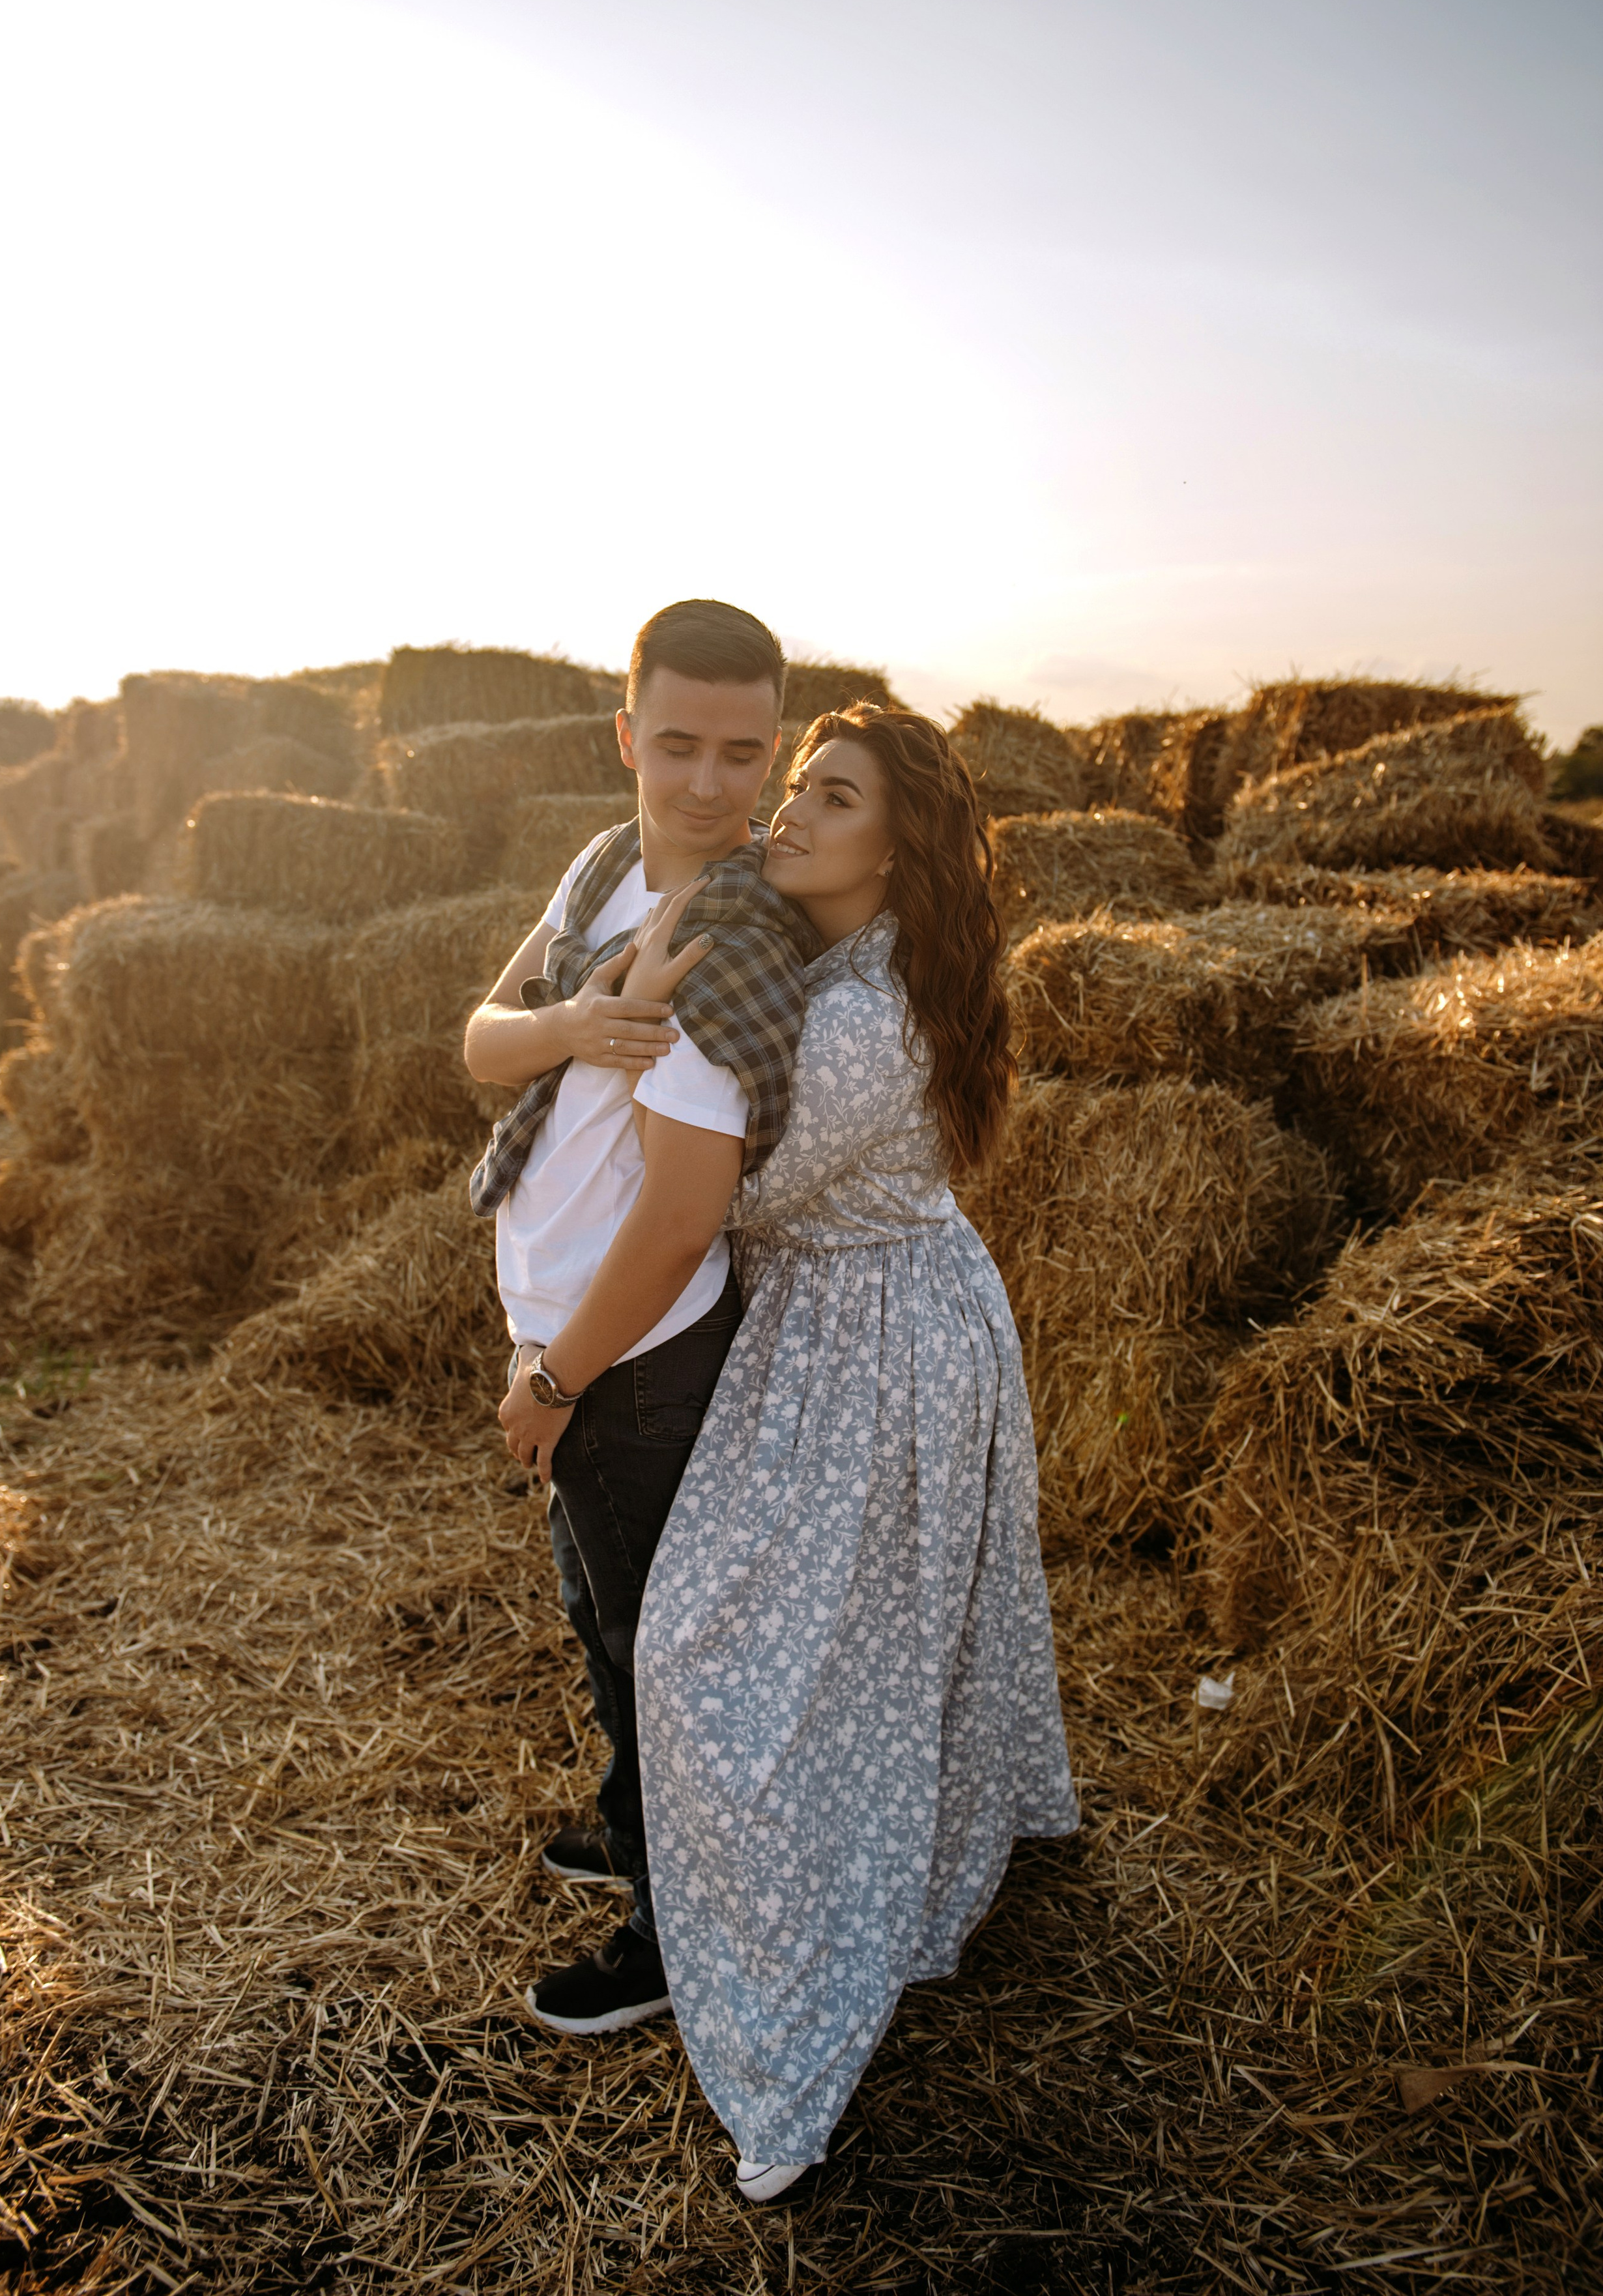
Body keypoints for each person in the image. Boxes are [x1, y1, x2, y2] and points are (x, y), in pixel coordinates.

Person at [629, 703, 1080, 2203]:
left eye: (833, 797)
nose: (790, 815)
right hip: (902, 1314)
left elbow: (723, 1206)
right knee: (895, 1630)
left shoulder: (849, 1021)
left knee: (725, 1652)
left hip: (868, 1345)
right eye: (798, 788)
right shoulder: (851, 967)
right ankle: (921, 1838)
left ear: (900, 843)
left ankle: (807, 1981)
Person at [463, 597, 818, 2035]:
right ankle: (632, 1829)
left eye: (743, 753)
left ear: (774, 751)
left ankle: (673, 1939)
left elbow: (681, 1217)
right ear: (625, 735)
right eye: (676, 744)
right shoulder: (602, 865)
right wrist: (573, 1023)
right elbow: (482, 1045)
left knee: (652, 1653)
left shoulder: (733, 934)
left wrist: (555, 1380)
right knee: (592, 1613)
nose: (709, 784)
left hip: (632, 1351)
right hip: (556, 1319)